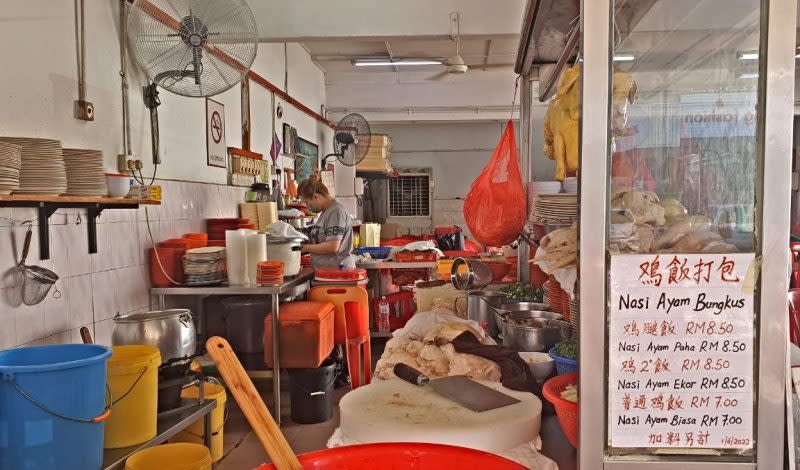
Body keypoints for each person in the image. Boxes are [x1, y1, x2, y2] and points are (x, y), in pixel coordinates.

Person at [297, 173, 356, 269]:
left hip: (338, 273)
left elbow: (332, 247)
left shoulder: (336, 211)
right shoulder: (325, 212)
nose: (308, 207)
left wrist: (306, 248)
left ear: (316, 197)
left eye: (307, 203)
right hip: (327, 272)